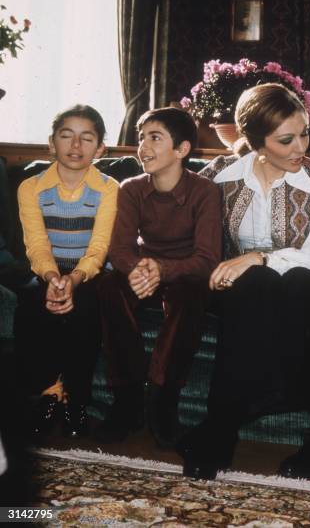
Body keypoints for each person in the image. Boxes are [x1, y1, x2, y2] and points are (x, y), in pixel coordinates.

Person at [176, 83, 310, 480]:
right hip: (242, 293)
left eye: (305, 133)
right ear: (256, 142)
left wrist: (257, 257)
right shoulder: (221, 174)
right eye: (286, 139)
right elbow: (178, 214)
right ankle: (223, 431)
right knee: (255, 284)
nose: (300, 148)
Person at [95, 107, 222, 449]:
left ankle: (163, 400)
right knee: (108, 284)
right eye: (141, 138)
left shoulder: (206, 192)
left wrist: (161, 270)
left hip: (185, 274)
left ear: (181, 150)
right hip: (143, 268)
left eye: (155, 138)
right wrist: (140, 269)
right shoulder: (131, 188)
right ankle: (127, 399)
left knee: (190, 292)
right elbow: (119, 249)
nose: (143, 147)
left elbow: (207, 259)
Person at [14, 104, 118, 439]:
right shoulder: (30, 187)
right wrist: (50, 277)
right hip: (49, 267)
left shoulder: (108, 188)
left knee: (86, 307)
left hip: (90, 270)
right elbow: (36, 244)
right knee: (31, 302)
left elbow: (100, 246)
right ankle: (48, 393)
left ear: (100, 148)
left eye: (86, 139)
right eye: (66, 136)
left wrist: (74, 279)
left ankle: (76, 399)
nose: (76, 146)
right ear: (51, 143)